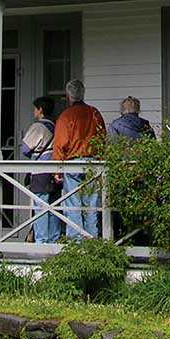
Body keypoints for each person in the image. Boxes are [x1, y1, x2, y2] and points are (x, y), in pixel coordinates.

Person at [52, 78, 105, 239]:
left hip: (73, 162)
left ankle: (76, 242)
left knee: (72, 204)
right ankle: (91, 239)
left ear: (68, 96)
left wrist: (57, 169)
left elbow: (61, 143)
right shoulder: (94, 113)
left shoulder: (66, 116)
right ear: (83, 94)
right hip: (92, 162)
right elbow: (102, 138)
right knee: (91, 204)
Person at [20, 96, 60, 244]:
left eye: (35, 108)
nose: (34, 111)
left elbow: (25, 149)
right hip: (55, 171)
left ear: (40, 110)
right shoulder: (57, 127)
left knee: (41, 207)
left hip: (40, 171)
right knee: (55, 207)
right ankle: (54, 239)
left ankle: (41, 241)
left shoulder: (37, 127)